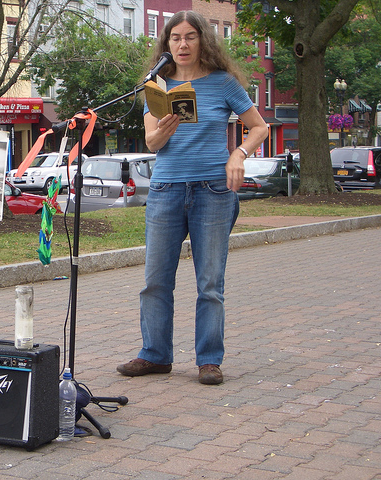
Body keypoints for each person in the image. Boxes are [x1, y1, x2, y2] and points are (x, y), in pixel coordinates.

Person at [117, 11, 268, 385]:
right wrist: (164, 129)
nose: (182, 45)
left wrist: (239, 154)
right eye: (175, 38)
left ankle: (209, 360)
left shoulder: (223, 83)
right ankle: (154, 355)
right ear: (166, 44)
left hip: (213, 191)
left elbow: (259, 127)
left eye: (190, 37)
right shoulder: (156, 85)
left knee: (210, 283)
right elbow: (152, 143)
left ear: (203, 41)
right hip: (166, 189)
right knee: (155, 279)